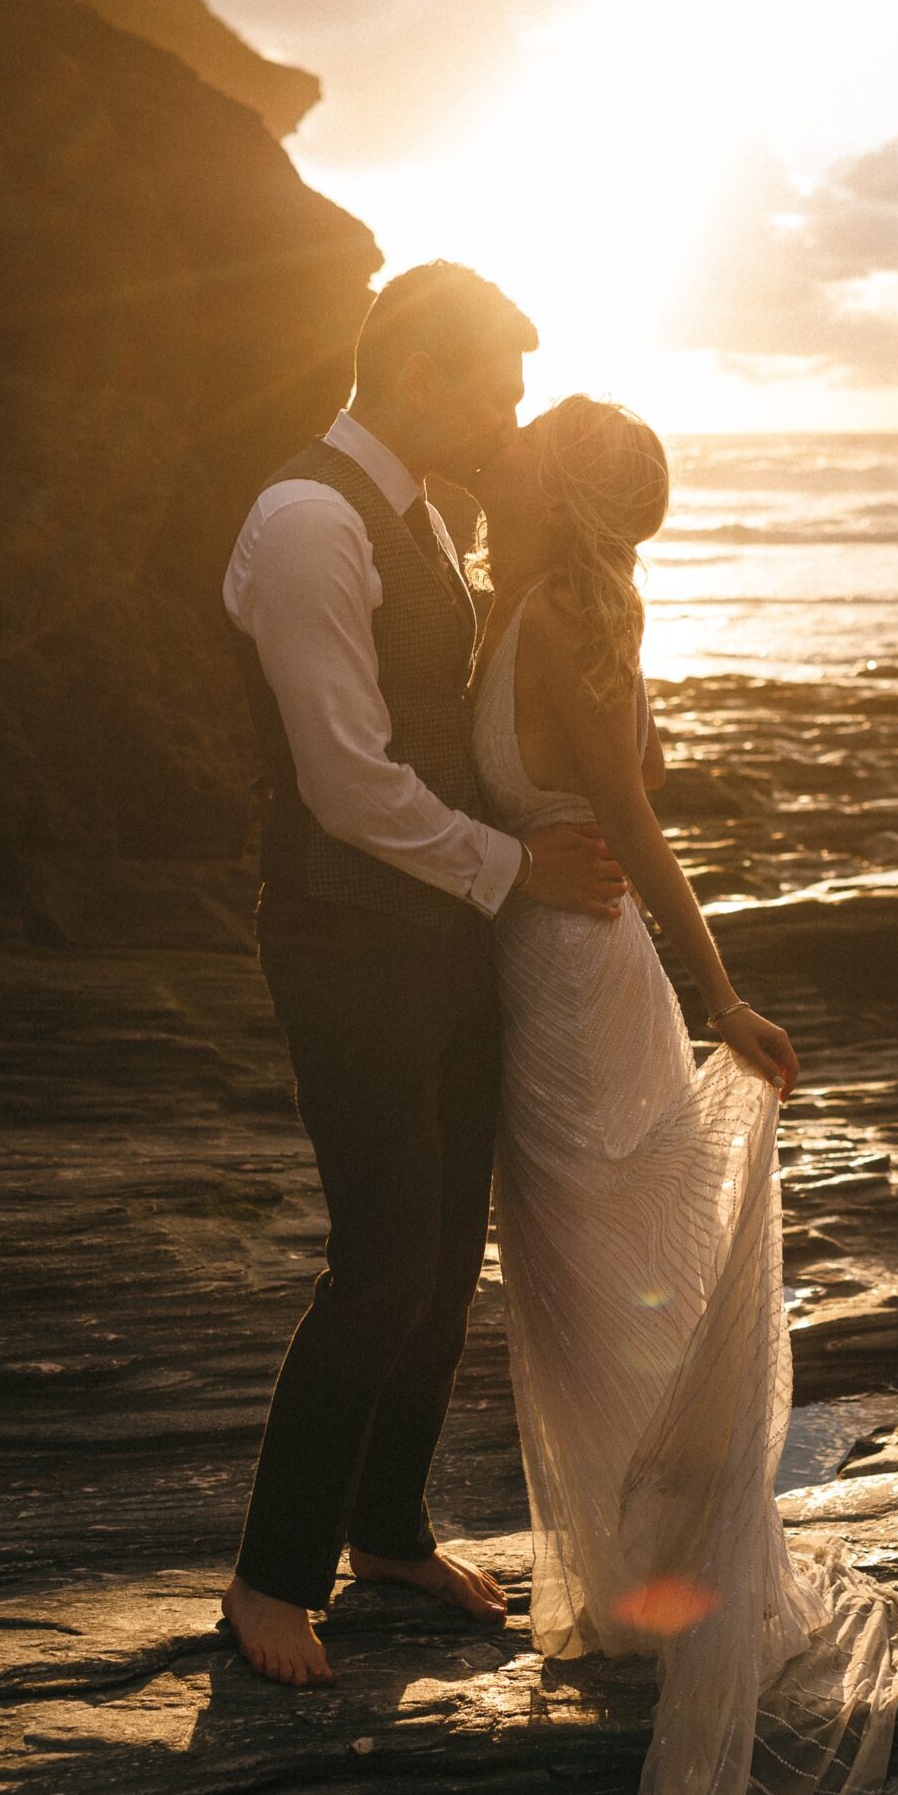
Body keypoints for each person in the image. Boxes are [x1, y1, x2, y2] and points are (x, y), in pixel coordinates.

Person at [470, 394, 898, 1795]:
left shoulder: (560, 615)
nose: (510, 433)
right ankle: (638, 1584)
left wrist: (721, 992)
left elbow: (639, 829)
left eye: (541, 429)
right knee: (583, 1294)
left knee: (616, 1291)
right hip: (538, 977)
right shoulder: (513, 600)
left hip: (587, 996)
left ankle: (681, 1594)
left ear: (564, 486)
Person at [220, 265, 625, 1689]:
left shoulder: (422, 516)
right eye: (494, 388)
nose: (507, 417)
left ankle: (385, 1529)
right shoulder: (311, 520)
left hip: (443, 931)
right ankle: (272, 1578)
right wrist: (516, 871)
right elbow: (343, 781)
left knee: (451, 1259)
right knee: (384, 1258)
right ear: (417, 368)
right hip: (347, 938)